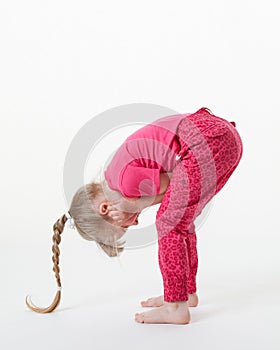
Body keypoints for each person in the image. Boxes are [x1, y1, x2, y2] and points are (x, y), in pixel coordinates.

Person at [25, 107, 243, 324]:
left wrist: (135, 203)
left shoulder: (125, 182)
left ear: (106, 209)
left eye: (126, 224)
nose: (137, 220)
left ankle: (175, 306)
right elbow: (178, 185)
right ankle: (184, 293)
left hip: (208, 141)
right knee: (181, 222)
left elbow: (172, 183)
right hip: (221, 137)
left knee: (169, 223)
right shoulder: (116, 173)